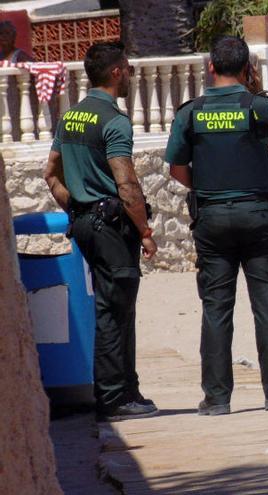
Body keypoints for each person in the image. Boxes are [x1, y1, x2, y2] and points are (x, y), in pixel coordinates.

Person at [166, 35, 268, 416]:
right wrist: (257, 92)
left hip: (210, 218)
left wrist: (208, 188)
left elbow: (177, 168)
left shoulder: (190, 112)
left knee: (215, 308)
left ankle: (217, 398)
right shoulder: (258, 105)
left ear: (210, 67)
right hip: (257, 215)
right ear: (247, 68)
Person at [43, 42, 157, 421]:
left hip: (86, 224)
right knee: (114, 309)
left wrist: (76, 209)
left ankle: (128, 390)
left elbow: (51, 174)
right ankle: (113, 399)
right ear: (116, 73)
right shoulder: (114, 120)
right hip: (111, 227)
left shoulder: (70, 116)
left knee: (115, 305)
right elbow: (126, 184)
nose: (131, 74)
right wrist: (143, 230)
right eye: (128, 67)